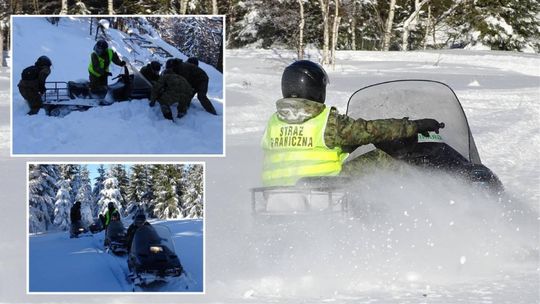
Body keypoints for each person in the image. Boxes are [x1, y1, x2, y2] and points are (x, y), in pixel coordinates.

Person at [261, 60, 442, 187]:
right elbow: (371, 130)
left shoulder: (273, 123)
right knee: (383, 158)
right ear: (316, 89)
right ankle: (420, 194)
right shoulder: (327, 122)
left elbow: (308, 149)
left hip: (278, 195)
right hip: (325, 189)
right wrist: (415, 126)